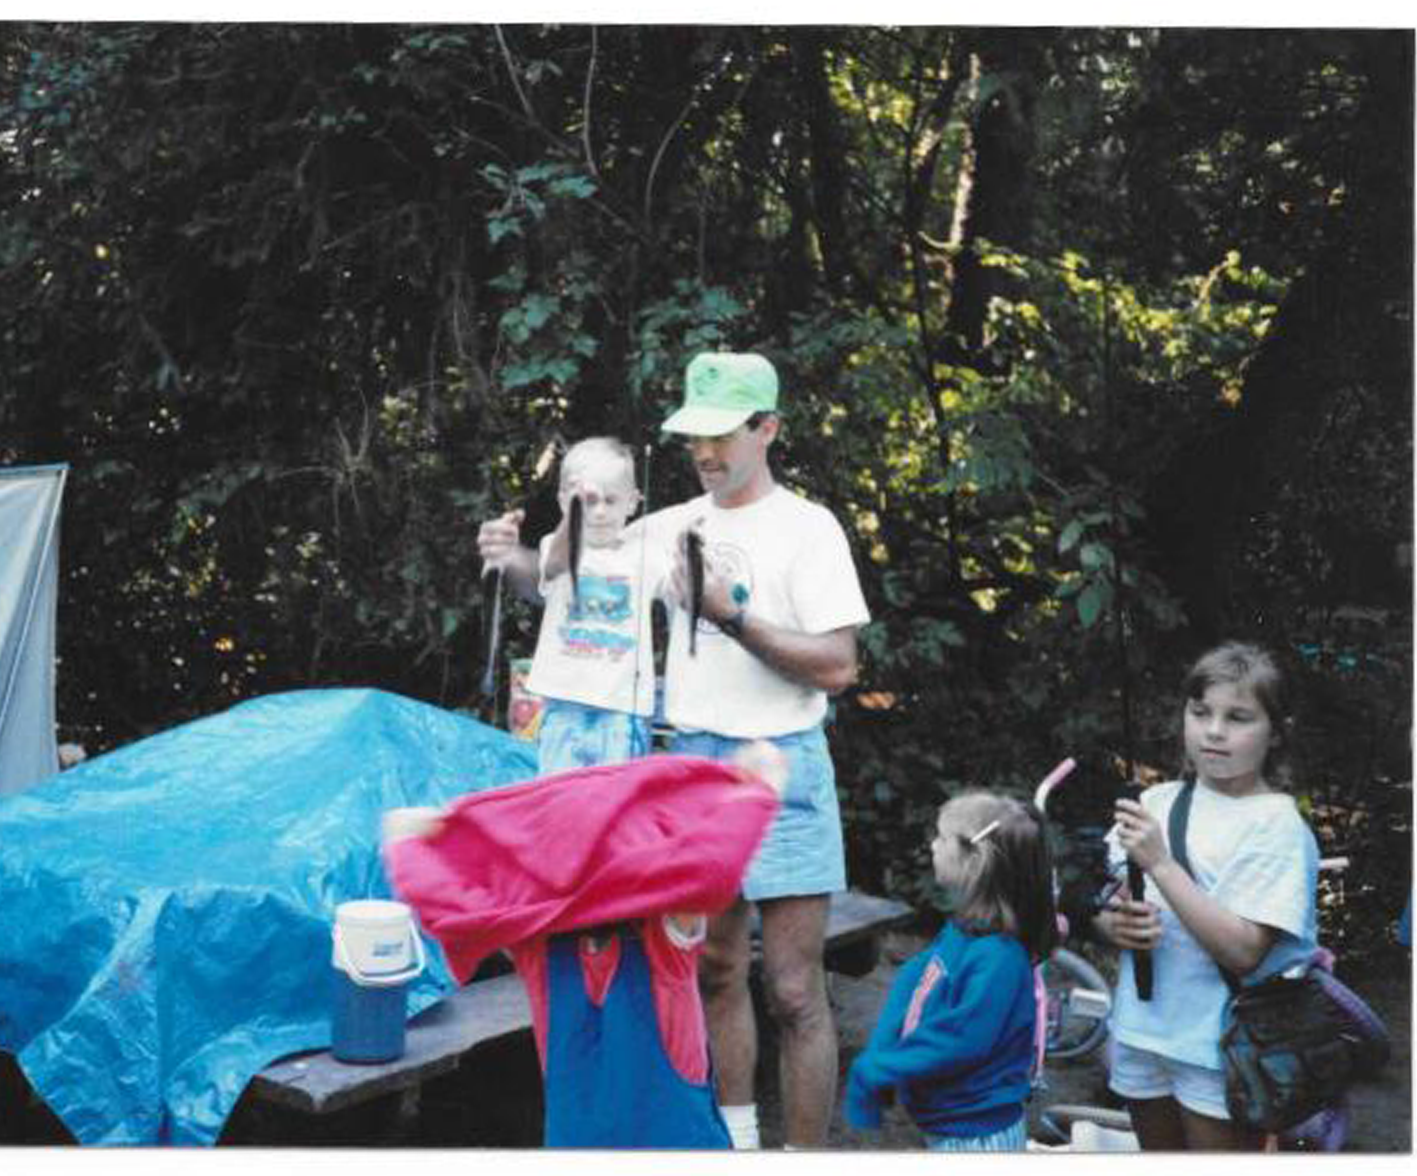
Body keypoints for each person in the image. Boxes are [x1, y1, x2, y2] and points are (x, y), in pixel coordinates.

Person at [476, 352, 869, 1148]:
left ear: (768, 430)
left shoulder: (810, 528)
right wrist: (507, 556)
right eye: (694, 436)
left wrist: (732, 616)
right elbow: (562, 578)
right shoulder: (667, 525)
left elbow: (839, 665)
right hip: (689, 767)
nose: (705, 452)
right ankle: (734, 1147)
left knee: (795, 992)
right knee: (713, 973)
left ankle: (806, 1157)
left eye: (722, 435)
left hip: (784, 765)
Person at [383, 745, 787, 1148]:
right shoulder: (666, 932)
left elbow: (445, 906)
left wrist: (409, 846)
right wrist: (757, 792)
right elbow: (714, 863)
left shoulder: (533, 938)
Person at [1092, 641, 1320, 1150]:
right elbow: (1103, 905)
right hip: (1143, 1031)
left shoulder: (1277, 824)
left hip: (1224, 1049)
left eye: (1238, 717)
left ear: (1277, 734)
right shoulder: (1155, 802)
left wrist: (1162, 863)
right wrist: (1112, 925)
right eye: (1201, 712)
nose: (1214, 730)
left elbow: (1243, 951)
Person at [842, 792, 1055, 1150]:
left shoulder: (997, 958)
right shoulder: (963, 932)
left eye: (942, 837)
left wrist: (883, 1067)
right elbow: (916, 979)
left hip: (978, 1136)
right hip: (951, 1124)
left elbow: (960, 1040)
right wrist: (883, 1051)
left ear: (975, 859)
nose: (932, 845)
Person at [523, 436, 670, 775]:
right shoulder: (556, 545)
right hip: (564, 707)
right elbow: (554, 566)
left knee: (615, 801)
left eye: (611, 500)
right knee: (557, 795)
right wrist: (571, 515)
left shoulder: (648, 556)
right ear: (564, 501)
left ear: (633, 502)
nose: (600, 511)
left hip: (622, 712)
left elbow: (684, 590)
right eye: (588, 502)